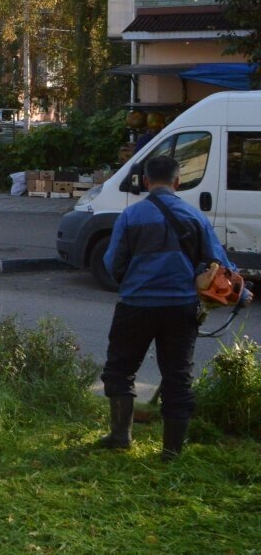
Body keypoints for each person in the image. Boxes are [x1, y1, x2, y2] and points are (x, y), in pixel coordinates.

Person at [99, 155, 251, 460]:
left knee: (120, 370)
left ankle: (120, 436)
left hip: (136, 306)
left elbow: (112, 263)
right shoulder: (195, 217)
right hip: (182, 308)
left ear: (145, 182)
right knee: (177, 376)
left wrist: (132, 280)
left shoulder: (130, 216)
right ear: (177, 182)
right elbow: (217, 261)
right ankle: (171, 452)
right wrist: (241, 291)